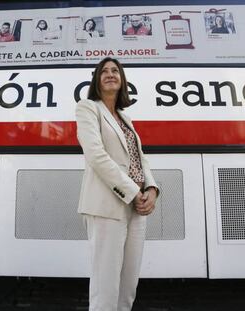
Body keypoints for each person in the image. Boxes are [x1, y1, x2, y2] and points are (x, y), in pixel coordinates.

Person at [75, 57, 159, 311]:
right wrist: (134, 192)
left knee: (128, 284)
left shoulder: (125, 117)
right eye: (104, 71)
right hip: (107, 205)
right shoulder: (88, 108)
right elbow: (96, 155)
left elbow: (139, 158)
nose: (110, 74)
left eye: (115, 71)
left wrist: (152, 190)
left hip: (137, 207)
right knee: (106, 284)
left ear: (122, 80)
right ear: (97, 80)